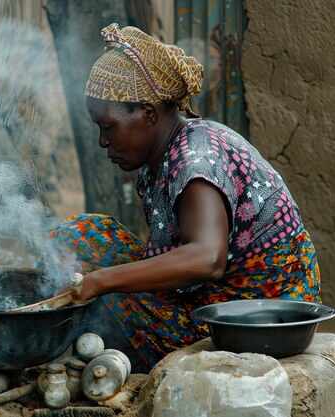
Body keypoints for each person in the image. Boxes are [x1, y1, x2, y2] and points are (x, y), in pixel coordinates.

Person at [47, 23, 320, 371]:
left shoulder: (195, 157)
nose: (103, 141)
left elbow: (207, 258)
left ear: (147, 114)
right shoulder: (158, 159)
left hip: (253, 314)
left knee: (109, 298)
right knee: (75, 238)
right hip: (213, 298)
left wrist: (100, 282)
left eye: (108, 127)